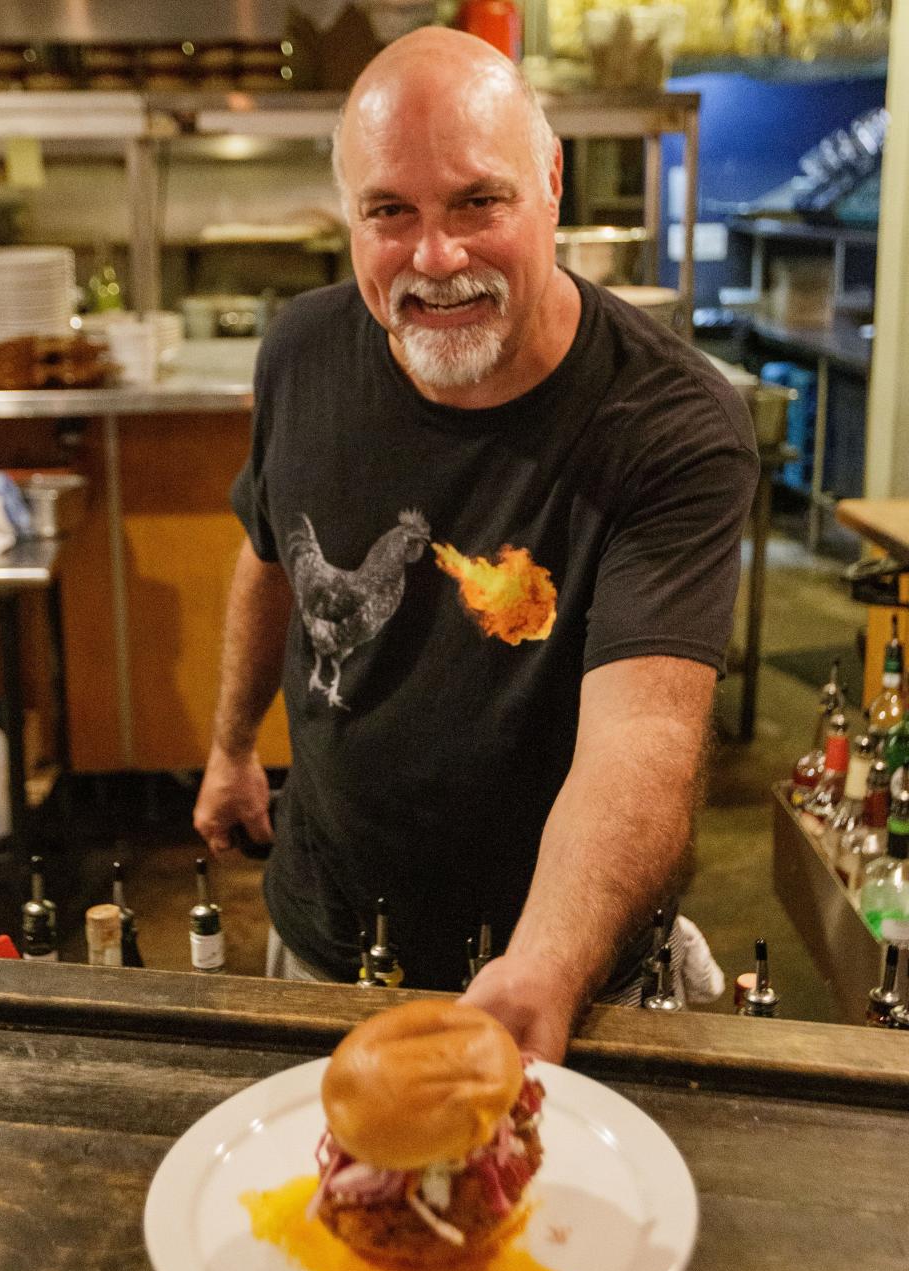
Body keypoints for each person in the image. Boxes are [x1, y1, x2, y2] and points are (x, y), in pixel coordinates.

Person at [193, 26, 758, 1063]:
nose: (435, 258)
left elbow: (642, 746)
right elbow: (272, 554)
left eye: (476, 203)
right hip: (325, 938)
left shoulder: (669, 425)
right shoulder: (303, 351)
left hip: (559, 973)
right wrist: (233, 749)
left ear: (551, 185)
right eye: (390, 212)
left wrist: (542, 966)